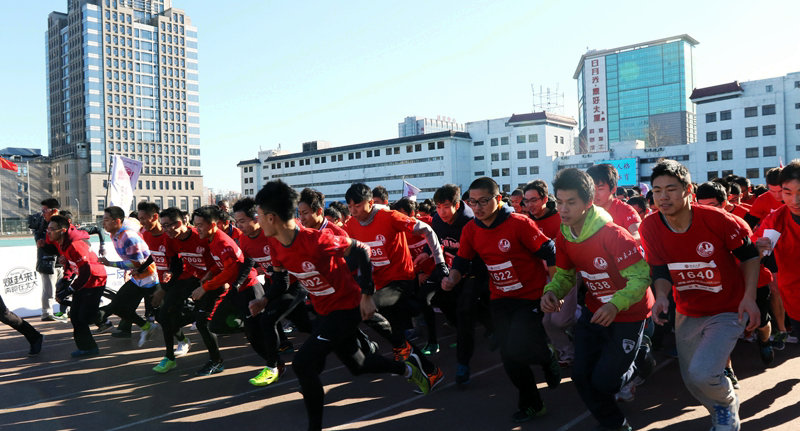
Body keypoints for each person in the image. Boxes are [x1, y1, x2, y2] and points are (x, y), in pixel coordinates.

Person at [254, 180, 431, 431]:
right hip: (324, 310)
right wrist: (264, 299)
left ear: (271, 218)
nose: (257, 220)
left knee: (304, 363)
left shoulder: (315, 240)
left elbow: (362, 250)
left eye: (258, 215)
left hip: (347, 306)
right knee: (358, 365)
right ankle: (408, 370)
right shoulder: (275, 243)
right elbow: (282, 278)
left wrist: (367, 294)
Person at [640, 160, 760, 431]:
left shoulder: (718, 219)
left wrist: (749, 298)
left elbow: (750, 256)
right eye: (657, 190)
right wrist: (660, 297)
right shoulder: (649, 226)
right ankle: (719, 407)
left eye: (671, 189)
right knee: (692, 379)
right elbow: (659, 268)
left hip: (727, 308)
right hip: (688, 311)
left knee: (703, 373)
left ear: (688, 191)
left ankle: (727, 405)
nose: (663, 196)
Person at [441, 177, 561, 423]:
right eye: (472, 202)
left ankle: (547, 356)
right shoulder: (471, 229)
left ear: (497, 199)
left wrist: (554, 288)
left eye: (483, 201)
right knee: (509, 356)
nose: (477, 207)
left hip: (529, 296)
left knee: (519, 346)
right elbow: (462, 260)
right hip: (500, 298)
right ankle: (533, 404)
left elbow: (549, 251)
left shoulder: (519, 223)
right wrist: (452, 277)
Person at [542, 168, 653, 431]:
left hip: (629, 313)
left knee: (607, 382)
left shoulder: (614, 234)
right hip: (595, 312)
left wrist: (615, 304)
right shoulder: (565, 234)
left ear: (588, 202)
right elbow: (566, 276)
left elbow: (640, 278)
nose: (563, 209)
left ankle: (643, 356)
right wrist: (552, 292)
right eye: (559, 202)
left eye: (571, 202)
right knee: (581, 376)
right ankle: (616, 424)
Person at [343, 183, 447, 391]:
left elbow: (427, 230)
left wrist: (440, 262)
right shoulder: (351, 226)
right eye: (350, 207)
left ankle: (377, 346)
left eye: (358, 206)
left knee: (364, 307)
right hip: (379, 285)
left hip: (401, 281)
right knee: (396, 335)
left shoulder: (390, 217)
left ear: (371, 202)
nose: (353, 211)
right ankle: (432, 372)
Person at [234, 197, 312, 386]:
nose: (239, 226)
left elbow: (284, 279)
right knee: (304, 324)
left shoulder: (275, 234)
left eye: (242, 221)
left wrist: (265, 299)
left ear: (256, 217)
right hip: (274, 283)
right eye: (236, 222)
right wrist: (236, 284)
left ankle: (272, 367)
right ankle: (278, 362)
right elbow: (249, 261)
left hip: (295, 283)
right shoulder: (244, 239)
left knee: (268, 319)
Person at [696, 182, 775, 367]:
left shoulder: (742, 220)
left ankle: (764, 341)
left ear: (724, 203)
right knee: (719, 329)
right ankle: (727, 369)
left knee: (762, 323)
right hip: (719, 284)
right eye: (701, 206)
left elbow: (753, 255)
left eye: (712, 206)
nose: (705, 211)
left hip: (753, 280)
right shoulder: (695, 223)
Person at [189, 206, 267, 377]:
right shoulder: (212, 239)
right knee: (211, 323)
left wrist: (205, 287)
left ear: (213, 224)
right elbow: (222, 266)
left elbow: (231, 271)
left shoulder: (222, 241)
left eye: (200, 225)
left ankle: (275, 362)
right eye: (195, 225)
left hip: (248, 288)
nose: (197, 229)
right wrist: (210, 272)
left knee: (259, 330)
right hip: (236, 290)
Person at [430, 183, 493, 387]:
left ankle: (462, 364)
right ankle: (490, 327)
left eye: (446, 206)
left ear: (457, 205)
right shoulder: (437, 221)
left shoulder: (471, 220)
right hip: (455, 271)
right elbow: (433, 241)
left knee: (466, 310)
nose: (442, 212)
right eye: (438, 207)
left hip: (477, 272)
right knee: (438, 299)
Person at [158, 207, 220, 373]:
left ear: (178, 223)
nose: (164, 230)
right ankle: (169, 357)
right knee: (164, 314)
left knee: (202, 323)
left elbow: (220, 263)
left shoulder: (201, 237)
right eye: (162, 226)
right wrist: (170, 273)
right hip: (193, 278)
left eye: (166, 226)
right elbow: (176, 263)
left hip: (215, 280)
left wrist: (207, 282)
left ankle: (217, 361)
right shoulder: (170, 238)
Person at [523, 179, 575, 367]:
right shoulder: (526, 221)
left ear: (545, 199)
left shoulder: (561, 218)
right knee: (547, 322)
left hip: (566, 275)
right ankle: (567, 352)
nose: (529, 205)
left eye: (533, 200)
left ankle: (584, 318)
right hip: (545, 278)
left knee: (560, 320)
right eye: (526, 201)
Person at [136, 202, 192, 373]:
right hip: (165, 282)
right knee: (165, 317)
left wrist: (166, 285)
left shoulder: (170, 237)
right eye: (139, 219)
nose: (142, 222)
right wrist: (141, 267)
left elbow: (178, 264)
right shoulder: (145, 234)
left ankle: (175, 350)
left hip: (182, 280)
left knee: (168, 316)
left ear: (155, 217)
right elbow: (155, 255)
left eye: (144, 219)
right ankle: (177, 347)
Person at [98, 206, 160, 348]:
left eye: (106, 220)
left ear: (117, 221)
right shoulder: (115, 235)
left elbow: (138, 263)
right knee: (118, 307)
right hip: (138, 279)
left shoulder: (128, 236)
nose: (103, 223)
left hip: (149, 279)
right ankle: (146, 327)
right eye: (103, 220)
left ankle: (182, 340)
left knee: (163, 316)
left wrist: (111, 263)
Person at [48, 215, 107, 357]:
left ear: (62, 230)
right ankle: (88, 348)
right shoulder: (62, 243)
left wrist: (70, 289)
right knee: (75, 316)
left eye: (51, 229)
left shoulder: (75, 244)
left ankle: (103, 316)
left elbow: (86, 271)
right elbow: (70, 263)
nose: (48, 231)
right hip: (83, 281)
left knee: (83, 316)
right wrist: (67, 279)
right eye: (47, 228)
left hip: (94, 280)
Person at [755, 160, 800, 345]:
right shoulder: (775, 220)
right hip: (795, 299)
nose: (794, 201)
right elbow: (750, 254)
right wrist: (757, 248)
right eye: (787, 193)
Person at [586, 164, 642, 242]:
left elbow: (638, 234)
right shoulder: (584, 210)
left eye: (600, 188)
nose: (594, 193)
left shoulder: (625, 210)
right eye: (591, 188)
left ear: (613, 189)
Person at [35, 198, 66, 321]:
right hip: (47, 262)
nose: (43, 213)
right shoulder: (41, 223)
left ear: (54, 211)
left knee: (64, 289)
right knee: (49, 291)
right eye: (42, 210)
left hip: (63, 262)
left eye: (45, 210)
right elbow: (41, 241)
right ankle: (46, 313)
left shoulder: (64, 221)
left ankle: (64, 312)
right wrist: (40, 241)